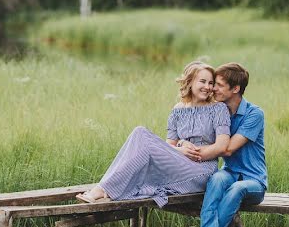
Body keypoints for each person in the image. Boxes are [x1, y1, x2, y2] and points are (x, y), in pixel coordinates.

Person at [76, 60, 231, 206]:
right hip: (179, 163)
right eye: (202, 81)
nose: (208, 87)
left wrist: (195, 154)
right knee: (140, 132)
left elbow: (222, 147)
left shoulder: (218, 109)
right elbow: (169, 147)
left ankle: (102, 190)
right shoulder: (178, 110)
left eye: (210, 83)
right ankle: (104, 189)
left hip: (202, 171)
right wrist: (181, 149)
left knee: (142, 135)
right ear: (190, 82)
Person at [178, 62, 266, 227]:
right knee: (216, 178)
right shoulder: (219, 111)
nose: (212, 88)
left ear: (235, 89)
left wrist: (194, 154)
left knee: (236, 189)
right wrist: (183, 144)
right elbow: (196, 133)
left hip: (253, 181)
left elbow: (226, 149)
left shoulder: (254, 114)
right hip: (228, 172)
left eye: (218, 85)